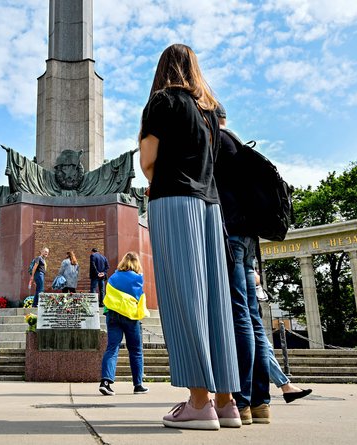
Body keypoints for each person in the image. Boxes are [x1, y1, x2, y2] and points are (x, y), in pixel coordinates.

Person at [139, 44, 241, 430]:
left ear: (163, 68)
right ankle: (226, 402)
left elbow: (149, 161)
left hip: (174, 201)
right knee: (216, 302)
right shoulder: (210, 111)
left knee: (184, 298)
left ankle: (199, 402)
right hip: (210, 208)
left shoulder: (162, 102)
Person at [214, 102, 271, 425]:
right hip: (248, 240)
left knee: (239, 316)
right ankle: (262, 403)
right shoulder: (237, 143)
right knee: (253, 319)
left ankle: (243, 401)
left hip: (232, 236)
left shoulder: (219, 144)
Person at [255, 274, 313, 403]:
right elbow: (254, 278)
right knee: (263, 347)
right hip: (244, 309)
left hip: (246, 308)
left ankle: (285, 387)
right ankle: (285, 387)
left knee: (264, 347)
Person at [99, 252, 150, 396]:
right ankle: (138, 385)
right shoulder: (138, 278)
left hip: (113, 315)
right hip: (130, 316)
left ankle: (106, 382)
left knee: (112, 348)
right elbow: (139, 297)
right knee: (135, 350)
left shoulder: (114, 277)